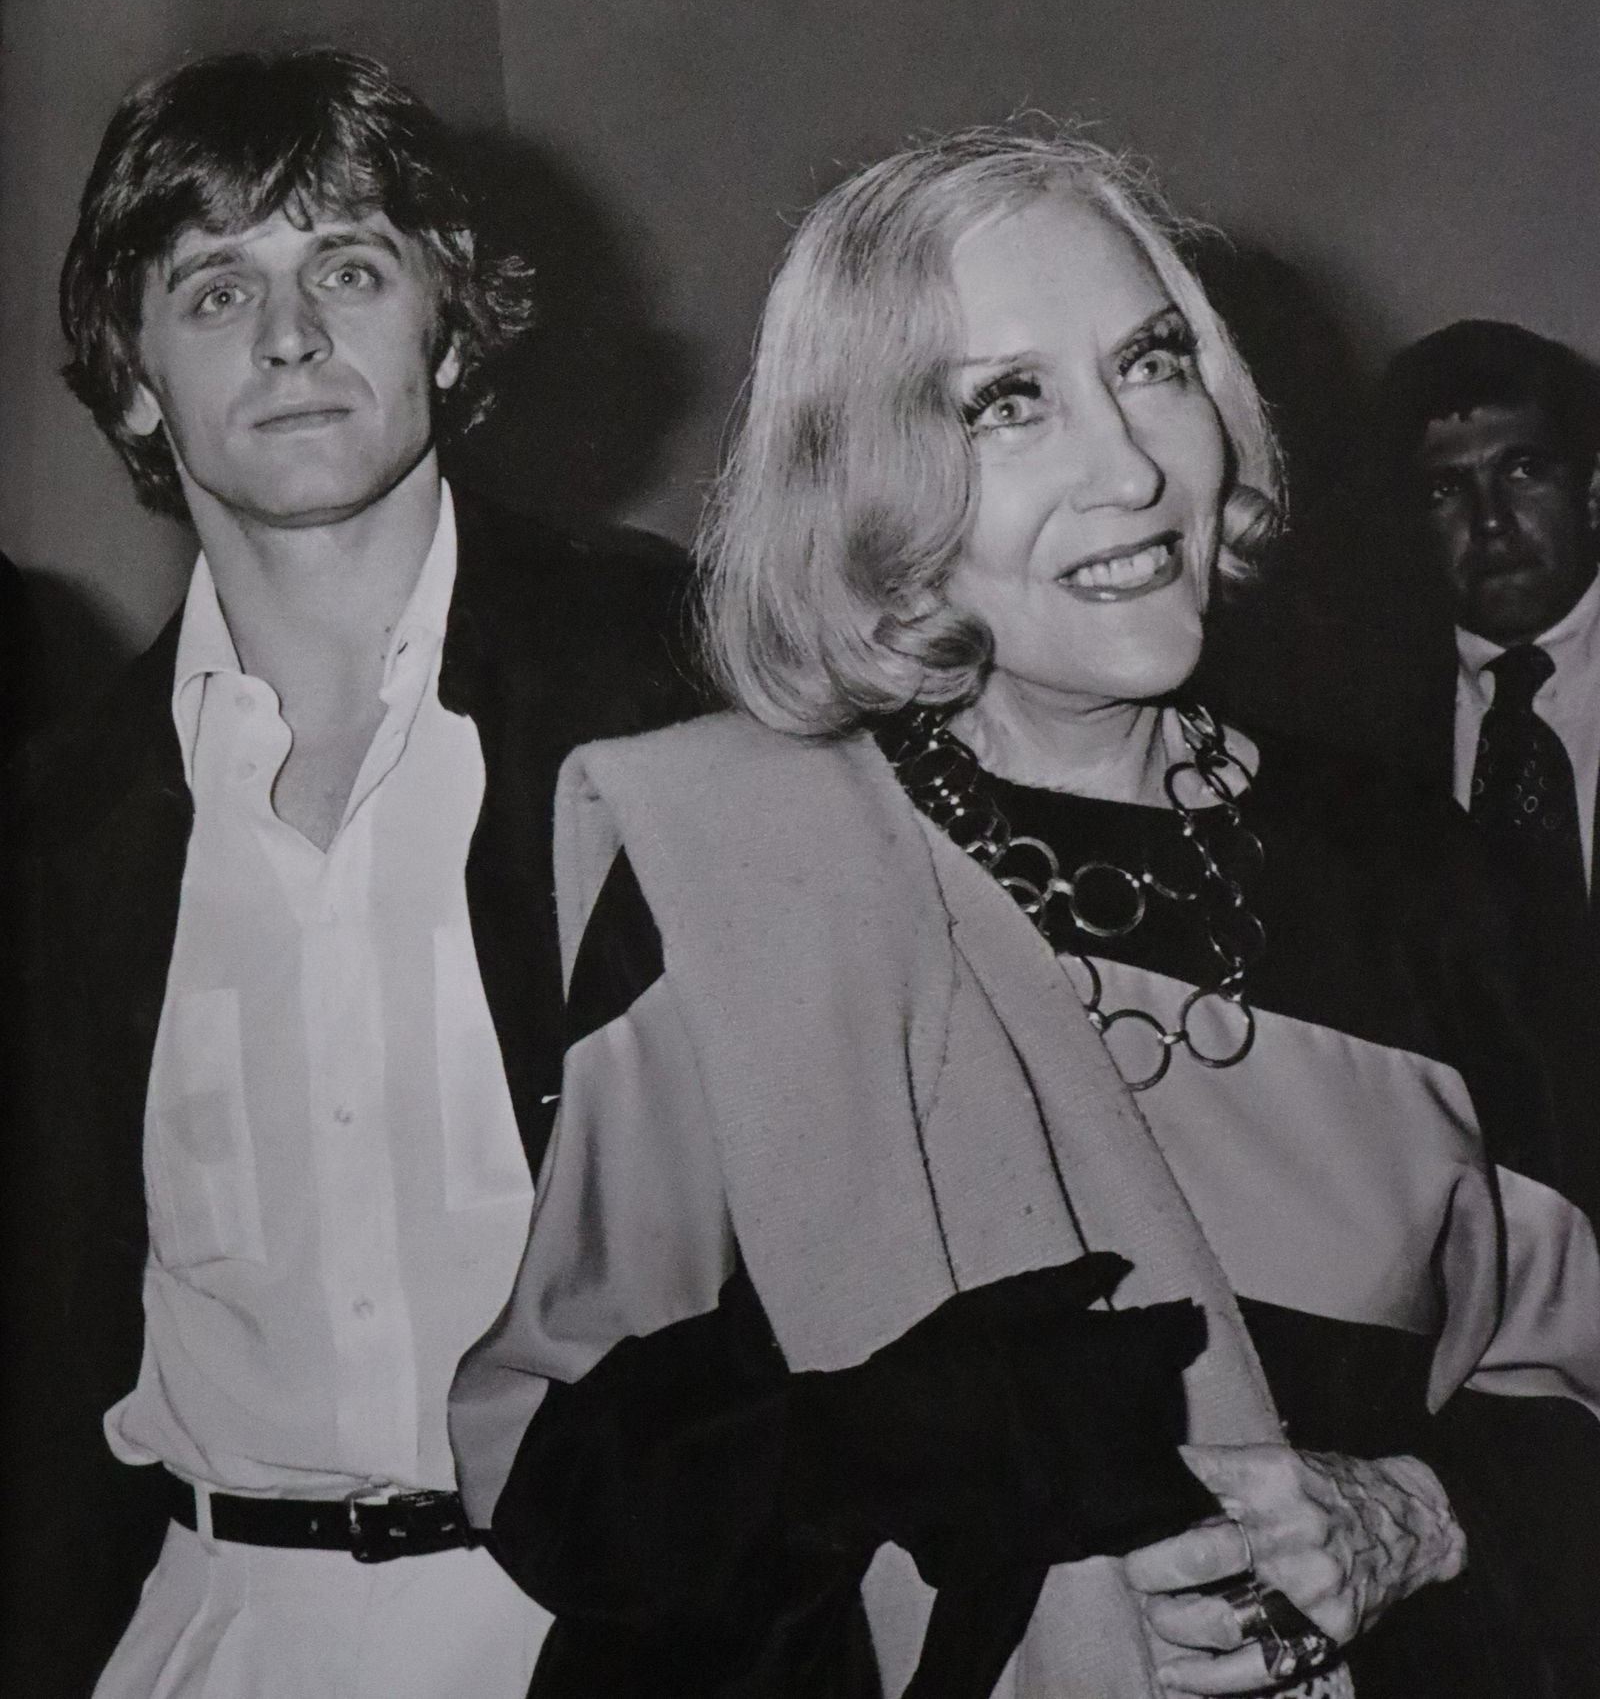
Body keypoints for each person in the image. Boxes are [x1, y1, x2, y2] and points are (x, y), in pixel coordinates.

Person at [451, 128, 1600, 1699]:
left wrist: (1418, 1515)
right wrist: (860, 1448)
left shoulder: (1434, 885)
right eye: (1007, 404)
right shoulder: (740, 864)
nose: (1128, 467)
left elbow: (1573, 1383)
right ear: (866, 484)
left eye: (1151, 364)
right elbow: (555, 1462)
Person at [6, 48, 702, 1699]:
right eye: (214, 286)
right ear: (127, 380)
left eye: (350, 265)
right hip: (213, 1627)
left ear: (448, 329)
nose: (292, 334)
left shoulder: (678, 682)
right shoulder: (55, 833)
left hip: (639, 1630)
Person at [1386, 319, 1600, 1223]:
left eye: (1523, 470)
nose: (1492, 525)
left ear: (1592, 491)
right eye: (1446, 491)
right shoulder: (1354, 733)